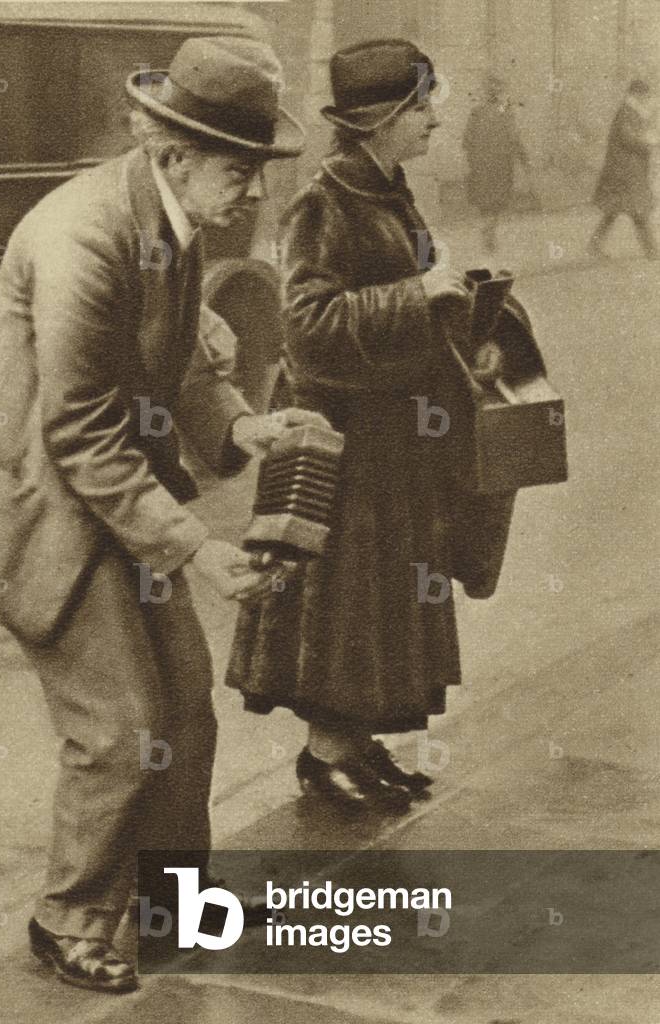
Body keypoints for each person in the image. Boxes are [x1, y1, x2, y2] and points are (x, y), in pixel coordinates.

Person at [0, 36, 322, 994]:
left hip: (107, 501)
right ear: (175, 153)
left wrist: (243, 428)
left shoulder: (174, 218)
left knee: (185, 705)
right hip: (39, 512)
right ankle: (66, 920)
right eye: (241, 171)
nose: (256, 194)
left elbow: (181, 358)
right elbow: (81, 429)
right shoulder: (85, 235)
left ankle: (172, 909)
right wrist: (195, 547)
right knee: (121, 727)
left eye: (261, 172)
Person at [226, 38, 541, 816]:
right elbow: (303, 329)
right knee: (346, 603)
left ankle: (360, 747)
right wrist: (419, 294)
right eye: (424, 106)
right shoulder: (322, 204)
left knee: (390, 599)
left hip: (395, 440)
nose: (436, 119)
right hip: (342, 448)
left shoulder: (388, 193)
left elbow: (409, 304)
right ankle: (324, 757)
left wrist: (473, 314)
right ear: (383, 120)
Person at [589, 78, 658, 260]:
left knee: (615, 211)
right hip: (625, 172)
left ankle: (594, 245)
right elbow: (627, 138)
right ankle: (652, 250)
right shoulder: (627, 112)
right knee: (638, 210)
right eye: (644, 95)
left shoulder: (630, 112)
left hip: (625, 171)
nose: (646, 98)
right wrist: (648, 142)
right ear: (635, 95)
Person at [462, 74, 531, 252]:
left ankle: (488, 233)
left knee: (486, 201)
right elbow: (514, 138)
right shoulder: (504, 112)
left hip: (482, 164)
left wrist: (473, 160)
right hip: (499, 164)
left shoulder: (477, 112)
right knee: (496, 201)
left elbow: (467, 141)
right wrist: (524, 160)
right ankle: (489, 233)